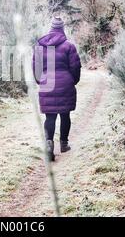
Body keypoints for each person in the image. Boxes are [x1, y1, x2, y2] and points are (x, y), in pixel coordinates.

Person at [33, 17, 82, 162]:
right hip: (65, 84)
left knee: (50, 117)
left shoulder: (40, 46)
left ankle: (49, 144)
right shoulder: (69, 46)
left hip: (47, 84)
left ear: (51, 28)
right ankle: (64, 144)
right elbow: (75, 67)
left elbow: (36, 70)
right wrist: (72, 80)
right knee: (65, 115)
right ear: (62, 29)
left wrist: (41, 81)